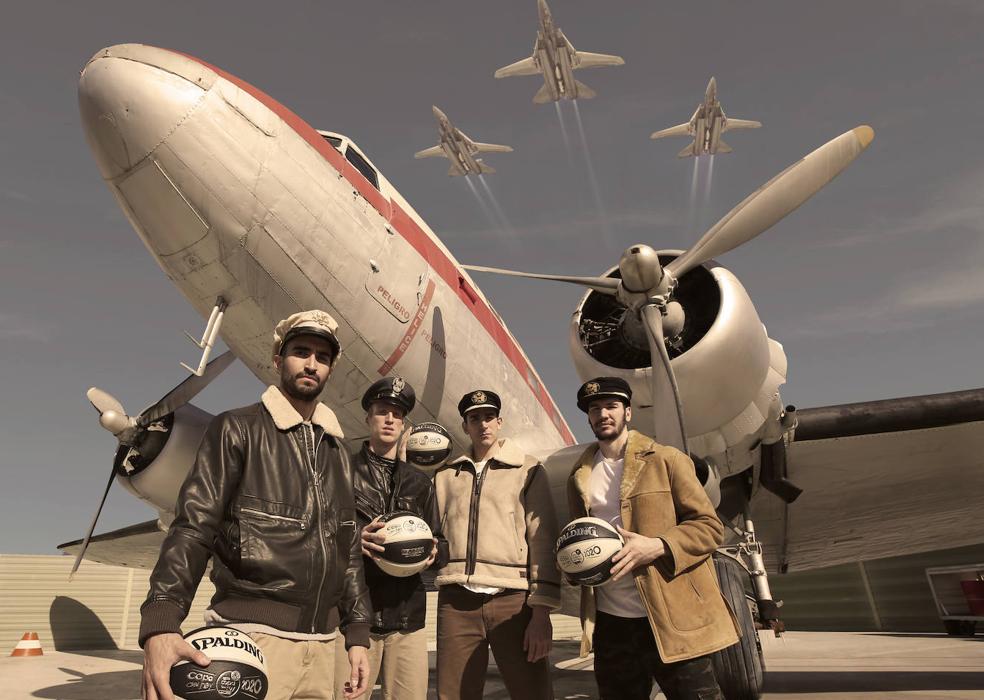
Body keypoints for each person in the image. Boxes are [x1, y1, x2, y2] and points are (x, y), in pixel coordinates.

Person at [139, 310, 371, 700]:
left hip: (327, 646)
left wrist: (357, 634)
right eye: (301, 351)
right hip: (253, 642)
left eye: (323, 356)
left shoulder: (339, 453)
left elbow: (347, 552)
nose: (312, 364)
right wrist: (162, 621)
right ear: (279, 361)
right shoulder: (236, 428)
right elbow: (194, 527)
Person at [566, 376, 738, 700]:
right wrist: (572, 563)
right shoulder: (579, 476)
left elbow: (710, 526)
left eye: (611, 406)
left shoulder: (666, 459)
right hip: (611, 623)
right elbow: (579, 536)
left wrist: (657, 545)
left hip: (670, 619)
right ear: (588, 417)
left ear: (627, 412)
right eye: (594, 408)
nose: (603, 414)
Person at [433, 389, 560, 700]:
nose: (483, 424)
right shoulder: (446, 475)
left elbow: (542, 540)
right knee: (453, 694)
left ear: (500, 422)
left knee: (532, 691)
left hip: (512, 600)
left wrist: (541, 613)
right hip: (456, 601)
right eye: (474, 418)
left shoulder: (528, 470)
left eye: (489, 417)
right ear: (465, 425)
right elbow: (434, 533)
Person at [334, 376, 449, 699]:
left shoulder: (419, 482)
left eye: (396, 415)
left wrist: (433, 553)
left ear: (403, 425)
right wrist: (358, 540)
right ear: (368, 417)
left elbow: (442, 545)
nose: (389, 419)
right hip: (355, 617)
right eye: (382, 411)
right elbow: (322, 533)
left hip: (406, 618)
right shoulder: (342, 472)